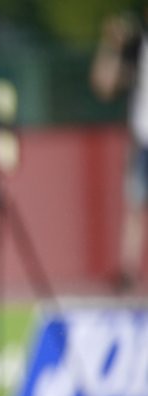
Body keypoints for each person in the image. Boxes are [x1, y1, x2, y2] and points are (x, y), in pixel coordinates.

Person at [91, 7, 148, 291]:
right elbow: (104, 84)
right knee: (135, 206)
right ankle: (128, 272)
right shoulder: (136, 47)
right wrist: (112, 44)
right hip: (143, 139)